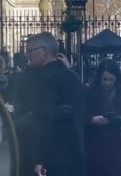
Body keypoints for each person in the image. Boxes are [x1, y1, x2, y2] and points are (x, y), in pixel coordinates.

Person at [13, 32, 86, 176]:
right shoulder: (71, 76)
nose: (27, 55)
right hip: (73, 151)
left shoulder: (40, 79)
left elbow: (43, 120)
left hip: (48, 154)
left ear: (44, 51)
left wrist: (40, 159)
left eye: (30, 51)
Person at [85, 59, 121, 176]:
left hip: (114, 143)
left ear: (116, 79)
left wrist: (114, 118)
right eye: (104, 79)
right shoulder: (91, 91)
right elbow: (81, 114)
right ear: (99, 78)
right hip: (94, 142)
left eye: (111, 79)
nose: (107, 83)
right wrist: (92, 119)